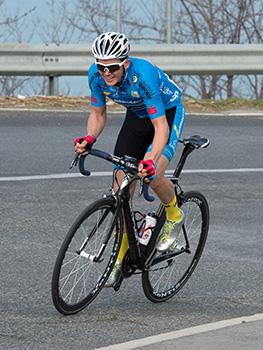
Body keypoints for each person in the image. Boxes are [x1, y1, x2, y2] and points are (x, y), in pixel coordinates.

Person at [74, 32, 185, 287]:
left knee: (153, 171)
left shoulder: (143, 76)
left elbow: (160, 129)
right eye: (101, 66)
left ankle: (174, 214)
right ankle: (121, 254)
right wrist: (90, 138)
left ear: (125, 63)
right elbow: (98, 114)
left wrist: (150, 160)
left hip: (166, 114)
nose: (105, 73)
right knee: (120, 186)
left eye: (111, 67)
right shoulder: (95, 75)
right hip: (137, 116)